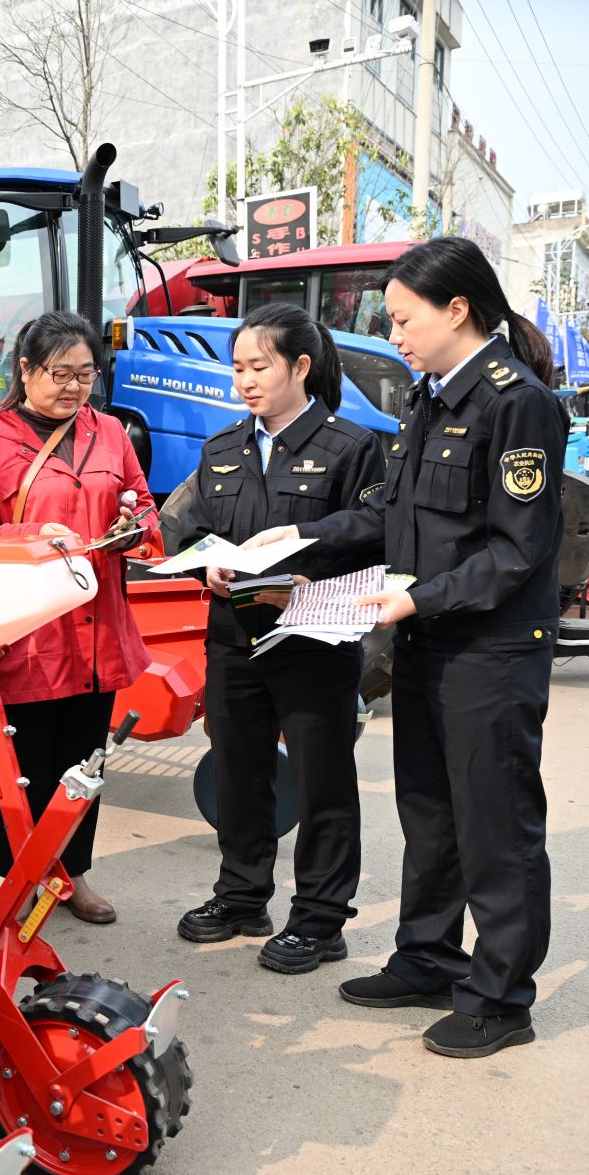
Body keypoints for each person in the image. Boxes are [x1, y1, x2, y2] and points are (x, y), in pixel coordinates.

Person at [243, 236, 567, 1059]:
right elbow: (387, 518)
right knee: (429, 812)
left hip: (489, 648)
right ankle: (427, 957)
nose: (394, 335)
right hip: (424, 638)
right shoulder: (429, 398)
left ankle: (500, 997)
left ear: (458, 308)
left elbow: (517, 550)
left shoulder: (513, 402)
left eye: (403, 318)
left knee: (494, 823)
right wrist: (297, 537)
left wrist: (419, 595)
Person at [175, 303, 387, 973]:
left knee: (323, 781)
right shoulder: (222, 450)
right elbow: (188, 527)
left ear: (300, 366)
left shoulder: (350, 448)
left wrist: (304, 557)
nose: (245, 379)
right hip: (233, 636)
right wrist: (205, 558)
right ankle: (241, 896)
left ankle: (321, 920)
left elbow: (375, 529)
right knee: (240, 773)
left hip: (313, 640)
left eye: (258, 366)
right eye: (237, 367)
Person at [0, 312, 161, 923]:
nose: (74, 386)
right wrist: (31, 535)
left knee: (84, 756)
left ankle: (72, 874)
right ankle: (21, 879)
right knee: (26, 767)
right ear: (25, 370)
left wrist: (135, 530)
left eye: (85, 373)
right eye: (60, 373)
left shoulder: (110, 432)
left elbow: (144, 503)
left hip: (97, 623)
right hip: (33, 631)